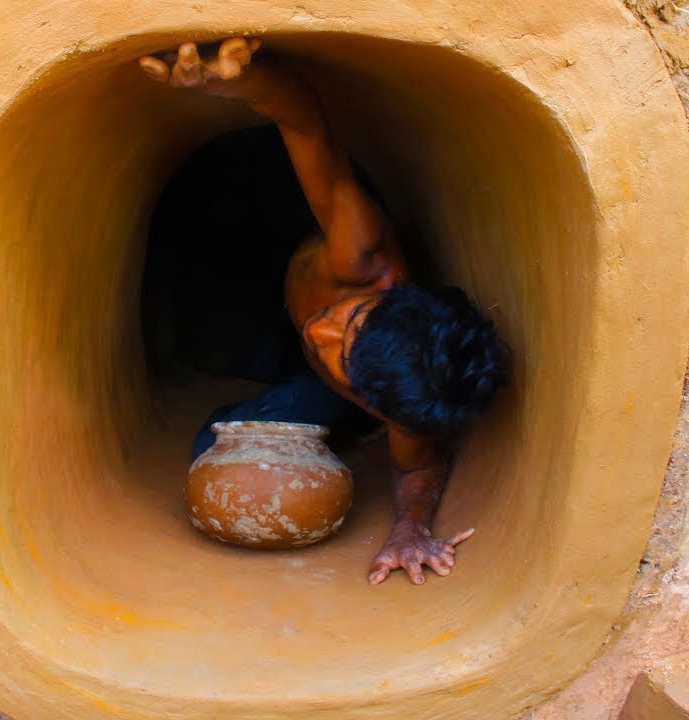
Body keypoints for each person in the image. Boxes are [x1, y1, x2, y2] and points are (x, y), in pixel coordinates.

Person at [140, 38, 508, 586]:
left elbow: (421, 465)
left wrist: (410, 528)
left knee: (210, 453)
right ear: (387, 294)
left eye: (343, 359)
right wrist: (237, 82)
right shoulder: (358, 252)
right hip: (268, 268)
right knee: (216, 337)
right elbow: (307, 122)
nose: (325, 329)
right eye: (353, 319)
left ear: (377, 405)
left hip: (308, 377)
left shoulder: (400, 406)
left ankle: (332, 419)